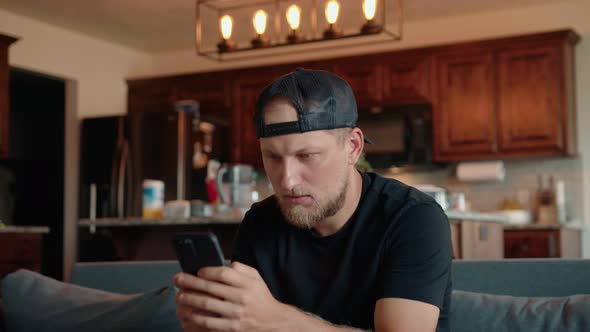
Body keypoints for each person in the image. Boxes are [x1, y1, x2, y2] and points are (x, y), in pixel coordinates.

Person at [173, 69, 453, 332]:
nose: (287, 182)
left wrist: (276, 318)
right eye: (272, 157)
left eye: (307, 156)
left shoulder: (413, 219)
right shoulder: (260, 222)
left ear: (352, 147)